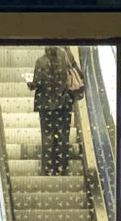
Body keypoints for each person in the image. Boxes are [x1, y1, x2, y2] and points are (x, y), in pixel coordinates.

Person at [27, 45, 85, 175]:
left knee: (47, 136)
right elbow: (80, 75)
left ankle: (47, 169)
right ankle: (61, 168)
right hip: (64, 104)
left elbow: (36, 84)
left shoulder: (40, 61)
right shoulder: (67, 57)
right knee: (63, 136)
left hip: (46, 106)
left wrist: (30, 83)